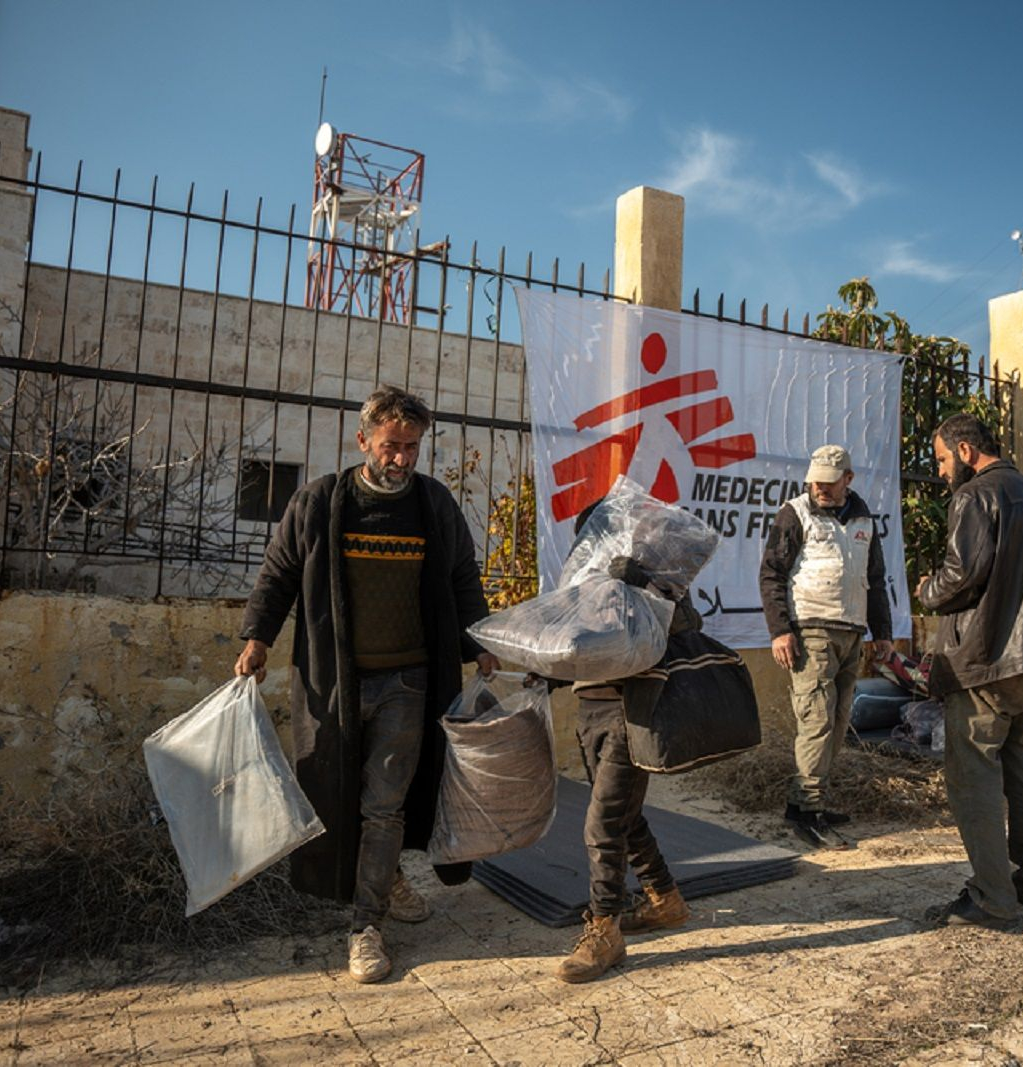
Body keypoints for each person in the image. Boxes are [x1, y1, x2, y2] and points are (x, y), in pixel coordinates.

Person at [234, 385, 498, 983]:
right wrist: (257, 639)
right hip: (335, 684)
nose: (401, 459)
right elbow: (278, 574)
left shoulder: (433, 505)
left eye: (411, 447)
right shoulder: (321, 502)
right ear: (363, 442)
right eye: (390, 446)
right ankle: (388, 878)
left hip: (410, 682)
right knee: (336, 794)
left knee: (386, 805)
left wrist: (477, 643)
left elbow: (461, 575)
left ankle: (365, 925)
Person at [914, 412, 1023, 927]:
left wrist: (927, 590)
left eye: (940, 459)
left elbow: (962, 574)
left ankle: (991, 897)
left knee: (973, 775)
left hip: (987, 662)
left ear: (964, 452)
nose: (939, 472)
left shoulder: (975, 496)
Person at [549, 503, 695, 984]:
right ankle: (665, 899)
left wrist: (645, 586)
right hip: (588, 705)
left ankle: (605, 929)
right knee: (621, 813)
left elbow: (688, 627)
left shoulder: (653, 570)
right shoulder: (584, 577)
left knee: (603, 821)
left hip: (633, 708)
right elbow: (569, 637)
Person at [759, 444, 893, 849]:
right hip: (811, 632)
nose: (820, 487)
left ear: (848, 479)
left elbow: (876, 577)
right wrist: (780, 631)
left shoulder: (864, 518)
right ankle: (809, 810)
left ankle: (805, 804)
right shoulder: (794, 513)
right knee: (816, 722)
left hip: (851, 632)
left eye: (829, 482)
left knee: (837, 724)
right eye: (815, 480)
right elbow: (771, 575)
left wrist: (881, 632)